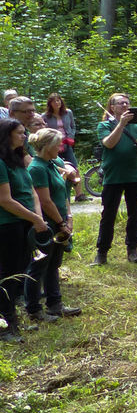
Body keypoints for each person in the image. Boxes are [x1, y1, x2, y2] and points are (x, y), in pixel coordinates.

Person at [0, 118, 49, 340]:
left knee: (19, 274)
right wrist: (34, 218)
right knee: (8, 276)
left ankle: (13, 321)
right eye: (20, 133)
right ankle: (5, 326)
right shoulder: (0, 163)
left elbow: (30, 190)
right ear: (6, 135)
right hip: (7, 225)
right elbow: (6, 200)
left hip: (24, 223)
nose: (24, 136)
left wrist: (37, 217)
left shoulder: (17, 159)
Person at [26, 128, 80, 320]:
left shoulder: (52, 163)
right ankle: (34, 309)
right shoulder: (37, 168)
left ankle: (55, 304)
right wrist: (60, 222)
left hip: (59, 222)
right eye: (57, 144)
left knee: (53, 265)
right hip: (48, 224)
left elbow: (63, 192)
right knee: (39, 266)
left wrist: (68, 218)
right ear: (47, 146)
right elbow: (45, 201)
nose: (61, 147)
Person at [93, 93, 137, 265]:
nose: (125, 106)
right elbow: (109, 144)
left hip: (135, 174)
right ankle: (102, 252)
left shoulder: (136, 126)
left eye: (127, 103)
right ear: (112, 107)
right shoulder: (104, 125)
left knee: (135, 214)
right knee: (108, 214)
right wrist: (121, 124)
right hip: (113, 176)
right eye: (121, 103)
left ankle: (132, 249)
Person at [44, 93, 86, 201]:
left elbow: (73, 126)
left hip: (67, 143)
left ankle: (79, 194)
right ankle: (60, 194)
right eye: (54, 101)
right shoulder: (45, 116)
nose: (57, 103)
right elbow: (45, 131)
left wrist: (70, 137)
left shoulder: (68, 113)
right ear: (50, 104)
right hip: (54, 144)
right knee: (56, 167)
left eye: (58, 100)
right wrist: (55, 141)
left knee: (74, 166)